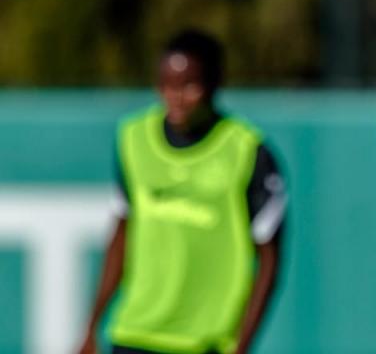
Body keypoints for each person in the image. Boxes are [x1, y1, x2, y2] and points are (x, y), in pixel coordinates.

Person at [79, 30, 286, 354]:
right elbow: (121, 235)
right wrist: (91, 325)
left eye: (188, 86)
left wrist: (242, 345)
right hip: (135, 333)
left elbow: (270, 261)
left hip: (204, 340)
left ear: (214, 85)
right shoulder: (134, 139)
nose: (175, 97)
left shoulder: (247, 151)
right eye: (166, 85)